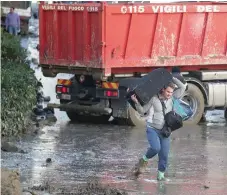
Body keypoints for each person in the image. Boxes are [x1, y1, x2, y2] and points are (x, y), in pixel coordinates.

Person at [130, 77, 186, 181]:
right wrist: (136, 102)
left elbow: (182, 87)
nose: (170, 94)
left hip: (165, 130)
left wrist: (172, 78)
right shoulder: (153, 99)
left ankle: (160, 176)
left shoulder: (172, 98)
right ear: (163, 89)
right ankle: (144, 159)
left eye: (171, 92)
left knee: (164, 155)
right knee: (156, 148)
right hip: (152, 129)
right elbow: (142, 111)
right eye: (168, 91)